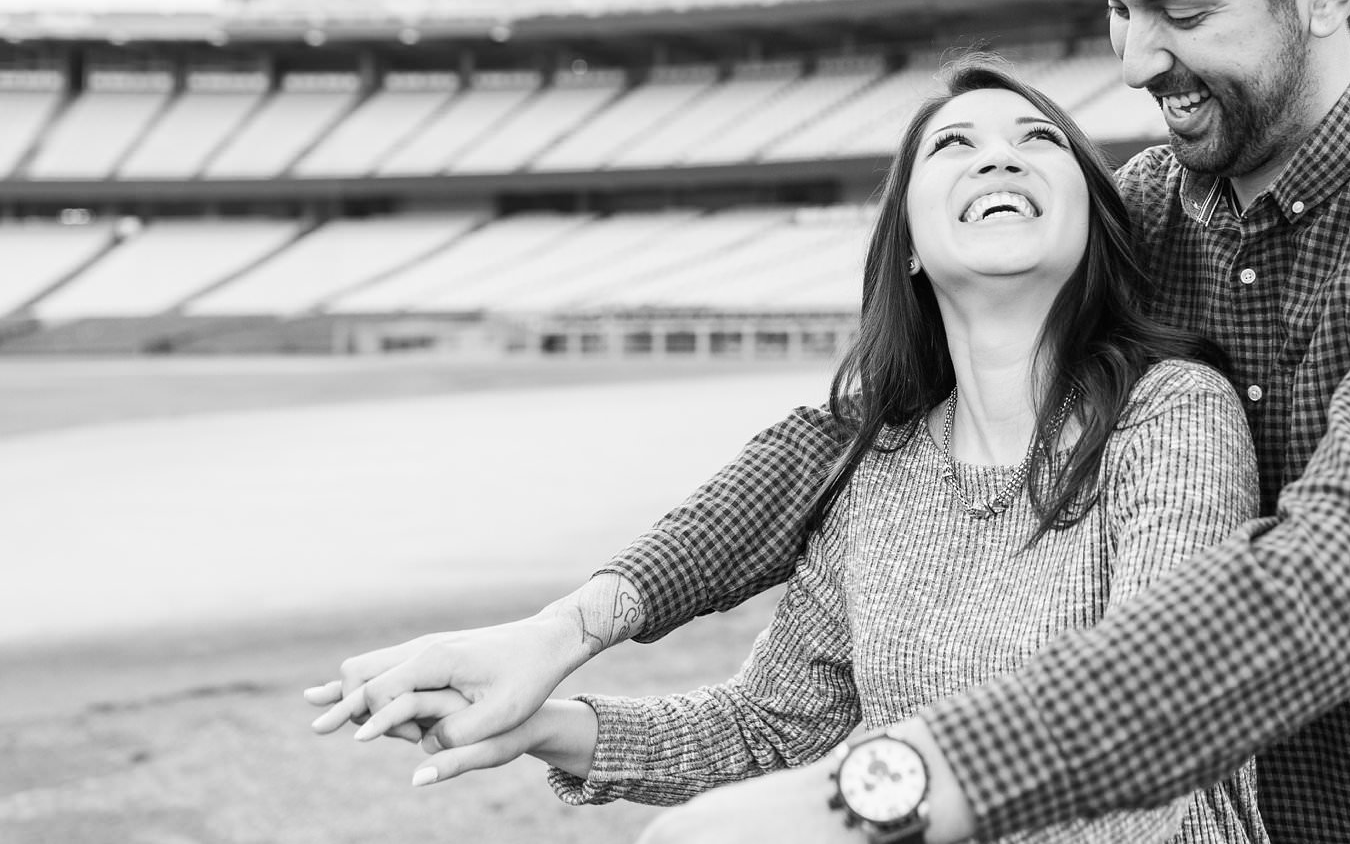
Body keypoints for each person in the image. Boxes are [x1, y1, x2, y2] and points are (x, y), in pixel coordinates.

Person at [310, 0, 1350, 843]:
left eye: (1177, 9)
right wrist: (570, 628)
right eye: (1112, 7)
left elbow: (1329, 589)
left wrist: (874, 793)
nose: (1134, 59)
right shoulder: (1142, 213)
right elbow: (848, 439)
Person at [317, 58, 1268, 844]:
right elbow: (766, 725)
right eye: (955, 145)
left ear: (1093, 225)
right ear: (906, 244)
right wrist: (539, 723)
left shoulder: (1173, 416)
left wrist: (849, 811)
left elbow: (1155, 705)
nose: (999, 160)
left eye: (1038, 140)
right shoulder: (879, 472)